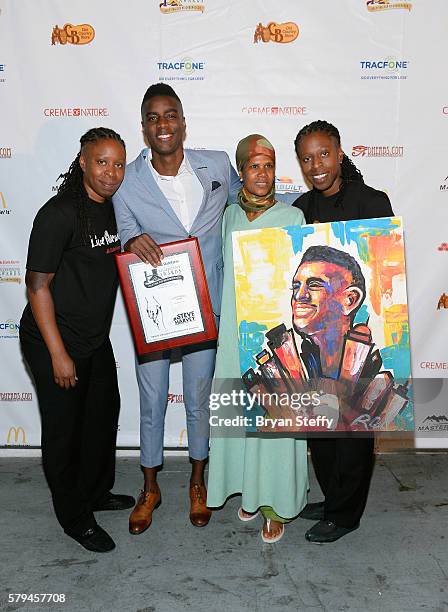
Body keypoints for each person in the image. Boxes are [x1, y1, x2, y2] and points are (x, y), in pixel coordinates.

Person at [113, 83, 242, 534]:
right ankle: (150, 487)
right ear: (144, 127)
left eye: (170, 115)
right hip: (153, 311)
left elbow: (249, 206)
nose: (163, 124)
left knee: (199, 400)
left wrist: (304, 214)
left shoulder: (220, 165)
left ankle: (198, 483)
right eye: (153, 117)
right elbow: (123, 232)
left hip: (205, 310)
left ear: (183, 121)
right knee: (151, 400)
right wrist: (130, 240)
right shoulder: (125, 181)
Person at [20, 127, 134, 553]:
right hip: (53, 340)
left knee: (102, 418)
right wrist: (58, 355)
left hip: (92, 338)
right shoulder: (60, 213)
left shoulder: (114, 210)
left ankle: (96, 493)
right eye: (102, 161)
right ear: (83, 162)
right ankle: (74, 517)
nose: (111, 172)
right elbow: (37, 288)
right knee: (64, 432)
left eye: (118, 163)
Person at [293, 119, 394, 543]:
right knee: (321, 427)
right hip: (318, 342)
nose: (316, 164)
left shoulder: (372, 200)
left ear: (339, 153)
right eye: (307, 158)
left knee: (353, 428)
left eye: (323, 154)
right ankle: (334, 496)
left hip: (359, 336)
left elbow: (387, 265)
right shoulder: (300, 208)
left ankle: (345, 514)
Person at [206, 134, 308, 543]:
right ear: (241, 171)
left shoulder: (292, 217)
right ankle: (250, 489)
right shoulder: (228, 215)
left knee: (275, 417)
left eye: (268, 165)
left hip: (275, 335)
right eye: (253, 165)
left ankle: (275, 503)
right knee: (239, 413)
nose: (262, 173)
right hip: (232, 333)